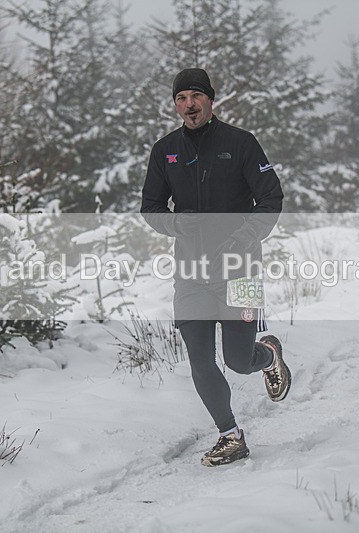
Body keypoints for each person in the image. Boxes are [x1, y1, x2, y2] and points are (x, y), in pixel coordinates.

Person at [140, 68, 291, 466]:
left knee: (239, 362)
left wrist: (244, 236)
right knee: (201, 360)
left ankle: (268, 354)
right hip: (190, 273)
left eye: (195, 96)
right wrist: (176, 224)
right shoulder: (165, 150)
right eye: (180, 98)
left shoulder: (241, 144)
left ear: (210, 99)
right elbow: (151, 209)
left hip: (241, 270)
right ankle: (230, 435)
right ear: (175, 105)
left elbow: (271, 198)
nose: (188, 105)